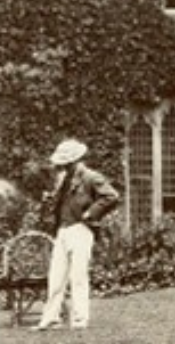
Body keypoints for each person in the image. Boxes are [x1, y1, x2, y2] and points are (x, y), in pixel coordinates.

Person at [35, 139, 121, 332]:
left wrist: (91, 213)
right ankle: (51, 318)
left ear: (74, 161)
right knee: (56, 277)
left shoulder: (91, 177)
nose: (59, 165)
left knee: (78, 276)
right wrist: (51, 199)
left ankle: (80, 319)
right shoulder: (64, 179)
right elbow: (63, 203)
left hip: (81, 229)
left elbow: (111, 196)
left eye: (64, 162)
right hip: (62, 231)